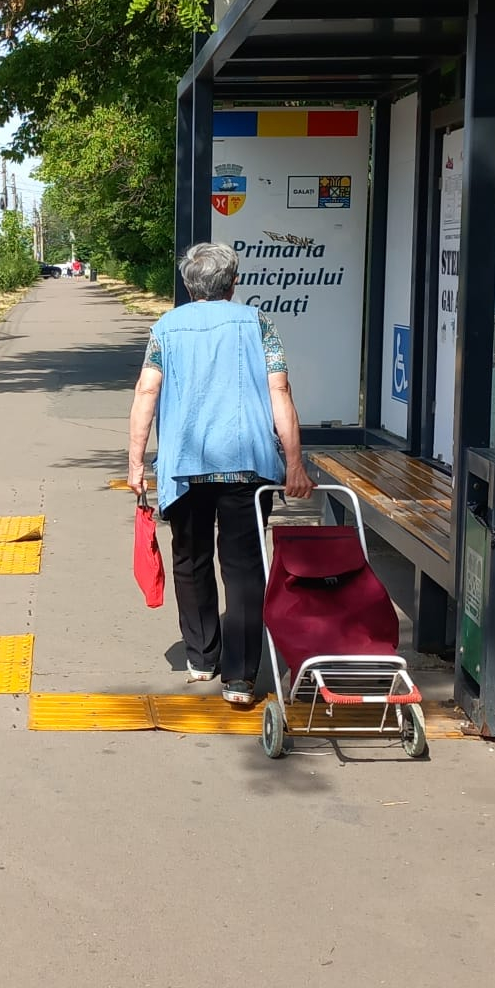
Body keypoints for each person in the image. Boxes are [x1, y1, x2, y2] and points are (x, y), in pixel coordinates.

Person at [127, 242, 314, 706]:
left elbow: (147, 392)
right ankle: (240, 677)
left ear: (189, 286)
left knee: (191, 560)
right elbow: (280, 390)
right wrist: (295, 463)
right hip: (247, 465)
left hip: (185, 467)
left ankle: (201, 657)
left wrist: (136, 463)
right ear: (232, 284)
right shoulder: (259, 323)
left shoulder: (166, 328)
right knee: (245, 567)